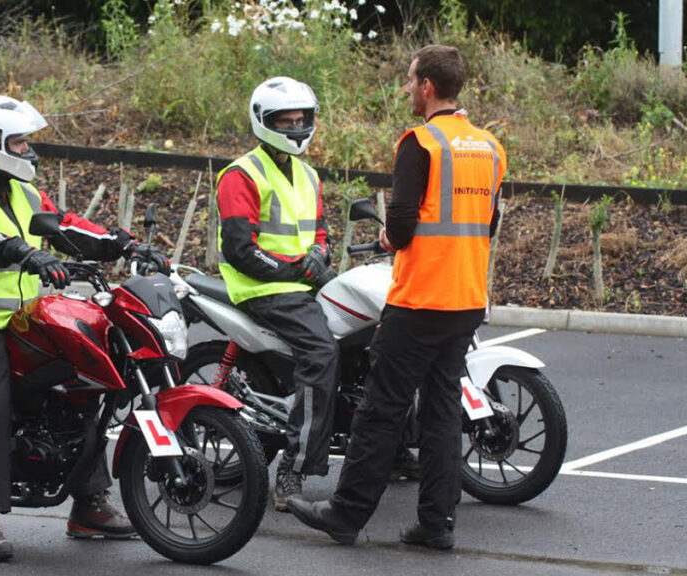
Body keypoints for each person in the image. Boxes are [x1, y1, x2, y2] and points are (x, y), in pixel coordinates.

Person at [0, 95, 170, 561]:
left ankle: (89, 501)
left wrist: (127, 245)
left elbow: (66, 226)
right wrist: (26, 253)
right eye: (16, 143)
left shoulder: (24, 192)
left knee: (83, 382)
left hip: (26, 316)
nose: (26, 151)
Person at [287, 44, 507, 550]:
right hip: (467, 298)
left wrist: (387, 239)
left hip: (421, 298)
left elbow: (403, 226)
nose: (407, 89)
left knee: (381, 409)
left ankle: (345, 514)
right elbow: (489, 222)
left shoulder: (421, 142)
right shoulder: (489, 147)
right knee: (441, 412)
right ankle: (436, 524)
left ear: (428, 86)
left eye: (410, 81)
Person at [215, 76, 339, 512]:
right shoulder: (240, 175)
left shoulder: (308, 174)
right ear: (263, 122)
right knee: (321, 354)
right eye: (284, 120)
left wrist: (321, 257)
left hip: (303, 282)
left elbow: (321, 232)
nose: (295, 127)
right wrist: (293, 269)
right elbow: (240, 249)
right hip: (263, 287)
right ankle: (295, 467)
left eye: (301, 119)